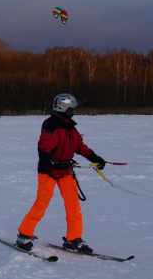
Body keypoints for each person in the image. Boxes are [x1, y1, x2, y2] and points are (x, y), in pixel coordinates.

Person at [16, 93, 106, 254]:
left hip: (66, 171)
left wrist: (95, 158)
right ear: (64, 107)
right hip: (48, 170)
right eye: (71, 109)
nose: (73, 112)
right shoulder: (50, 124)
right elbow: (44, 144)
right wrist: (44, 161)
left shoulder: (71, 127)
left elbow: (80, 146)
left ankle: (74, 239)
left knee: (73, 206)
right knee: (41, 204)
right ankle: (24, 234)